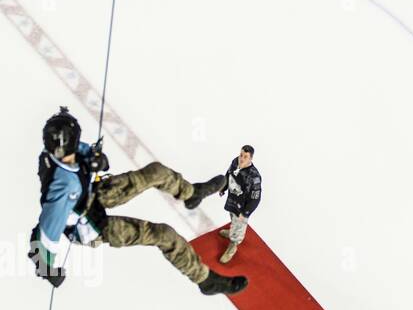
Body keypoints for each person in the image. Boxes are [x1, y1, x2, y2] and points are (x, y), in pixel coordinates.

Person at [28, 108, 246, 296]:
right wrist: (47, 270)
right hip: (92, 225)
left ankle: (191, 193)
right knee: (164, 235)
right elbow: (46, 230)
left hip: (93, 193)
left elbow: (84, 152)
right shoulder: (64, 188)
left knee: (156, 172)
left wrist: (96, 159)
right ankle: (205, 279)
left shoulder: (55, 152)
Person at [216, 145, 262, 264]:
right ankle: (233, 231)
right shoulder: (235, 161)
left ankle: (233, 245)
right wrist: (223, 187)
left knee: (239, 223)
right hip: (233, 200)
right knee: (232, 218)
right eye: (241, 155)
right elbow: (229, 174)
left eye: (245, 157)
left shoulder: (254, 177)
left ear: (251, 159)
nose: (241, 158)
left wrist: (246, 213)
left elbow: (255, 198)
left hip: (243, 207)